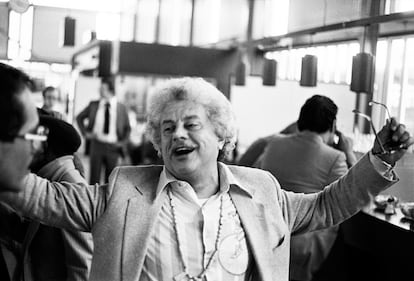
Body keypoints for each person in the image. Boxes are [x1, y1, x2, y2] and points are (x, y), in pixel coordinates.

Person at [1, 77, 413, 281]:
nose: (177, 133)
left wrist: (378, 159)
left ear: (222, 135)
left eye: (190, 124)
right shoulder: (123, 191)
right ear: (158, 146)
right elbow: (44, 198)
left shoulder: (262, 192)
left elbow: (328, 204)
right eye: (166, 129)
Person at [257, 95, 356, 281]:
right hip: (304, 247)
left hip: (265, 235)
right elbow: (351, 198)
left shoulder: (274, 143)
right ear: (333, 126)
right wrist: (348, 153)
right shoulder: (335, 157)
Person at [0, 111, 92, 281]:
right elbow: (40, 238)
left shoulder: (73, 189)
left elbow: (81, 268)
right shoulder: (53, 181)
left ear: (45, 147)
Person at [76, 77, 131, 184]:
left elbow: (127, 129)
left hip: (113, 147)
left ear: (110, 90)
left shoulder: (121, 108)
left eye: (103, 88)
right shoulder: (94, 104)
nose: (100, 91)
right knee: (94, 179)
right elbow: (79, 117)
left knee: (110, 180)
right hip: (96, 145)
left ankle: (106, 201)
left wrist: (121, 144)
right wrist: (85, 133)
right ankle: (93, 201)